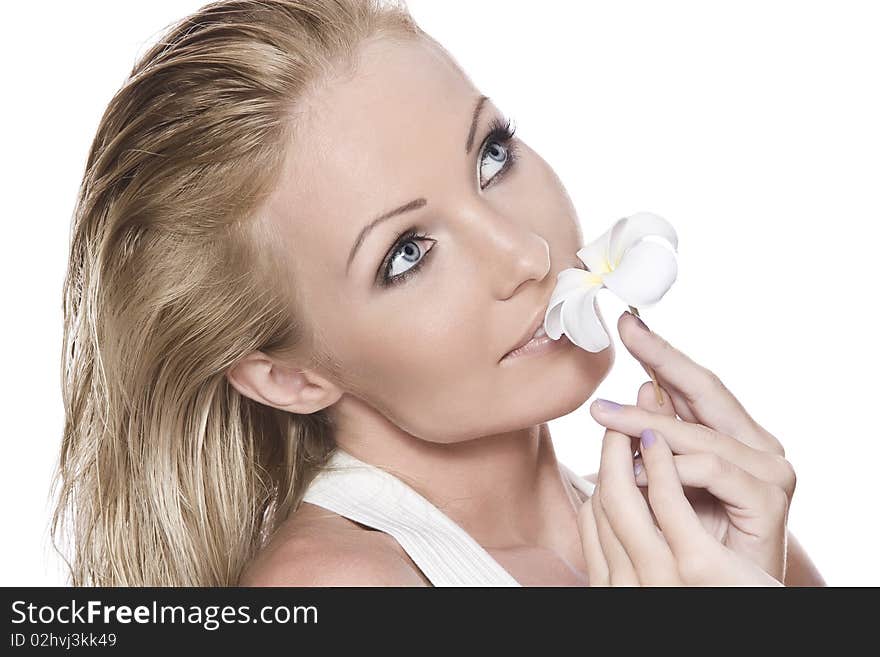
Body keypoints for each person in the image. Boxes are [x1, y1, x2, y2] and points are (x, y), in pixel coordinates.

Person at [53, 0, 824, 586]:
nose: (525, 253)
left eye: (492, 156)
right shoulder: (336, 587)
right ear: (289, 374)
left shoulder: (696, 534)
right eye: (407, 254)